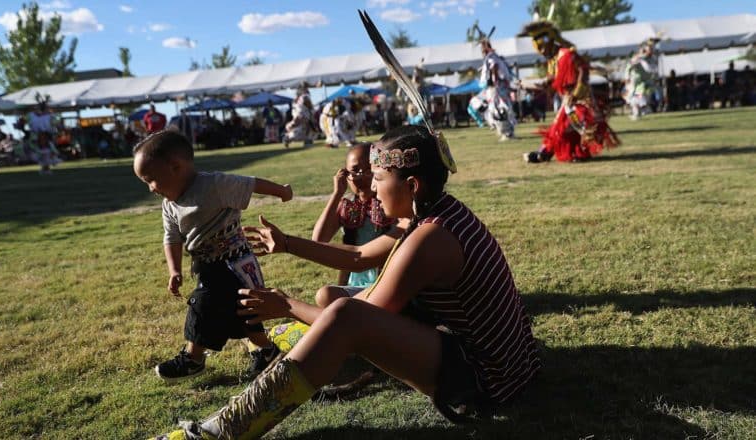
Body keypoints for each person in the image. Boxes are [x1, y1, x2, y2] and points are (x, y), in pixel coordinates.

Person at [151, 124, 540, 440]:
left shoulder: (430, 237)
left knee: (342, 314)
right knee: (334, 296)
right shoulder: (438, 216)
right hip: (504, 364)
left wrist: (285, 305)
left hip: (486, 381)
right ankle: (299, 344)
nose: (371, 187)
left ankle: (221, 432)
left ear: (413, 187)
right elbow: (359, 260)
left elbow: (355, 318)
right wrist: (287, 245)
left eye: (381, 177)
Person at [132, 130, 293, 383]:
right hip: (206, 265)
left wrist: (282, 191)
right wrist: (175, 270)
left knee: (206, 304)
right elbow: (172, 238)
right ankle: (267, 350)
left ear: (176, 167)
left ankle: (193, 359)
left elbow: (250, 183)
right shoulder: (169, 205)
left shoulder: (214, 185)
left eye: (151, 179)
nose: (151, 188)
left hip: (235, 262)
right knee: (239, 312)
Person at [518, 20, 618, 163]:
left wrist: (577, 92)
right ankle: (550, 152)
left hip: (581, 99)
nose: (542, 51)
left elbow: (583, 70)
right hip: (568, 99)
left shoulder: (566, 54)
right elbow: (550, 81)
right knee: (560, 128)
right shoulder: (552, 60)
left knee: (572, 128)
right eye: (538, 49)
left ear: (549, 40)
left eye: (542, 47)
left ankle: (550, 152)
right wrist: (528, 84)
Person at [311, 142, 396, 307]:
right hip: (355, 284)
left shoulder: (391, 203)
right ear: (345, 174)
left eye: (369, 169)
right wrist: (337, 194)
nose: (362, 175)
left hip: (385, 283)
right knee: (326, 295)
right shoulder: (347, 205)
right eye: (355, 171)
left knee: (336, 306)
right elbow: (318, 240)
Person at [479, 39, 517, 140]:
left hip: (498, 86)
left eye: (482, 50)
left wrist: (495, 82)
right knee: (499, 108)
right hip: (500, 86)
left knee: (500, 108)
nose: (482, 52)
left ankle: (507, 133)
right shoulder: (493, 57)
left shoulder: (492, 58)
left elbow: (494, 68)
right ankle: (507, 132)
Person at [624, 37, 661, 120]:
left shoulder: (650, 58)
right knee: (632, 96)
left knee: (639, 95)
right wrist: (627, 77)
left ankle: (642, 110)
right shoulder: (638, 57)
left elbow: (651, 68)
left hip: (643, 80)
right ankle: (638, 112)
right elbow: (630, 65)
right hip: (635, 80)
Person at [283, 82, 316, 148]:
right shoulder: (304, 96)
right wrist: (312, 111)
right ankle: (287, 138)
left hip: (301, 115)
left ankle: (307, 141)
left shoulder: (298, 96)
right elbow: (309, 105)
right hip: (301, 115)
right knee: (301, 131)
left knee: (305, 130)